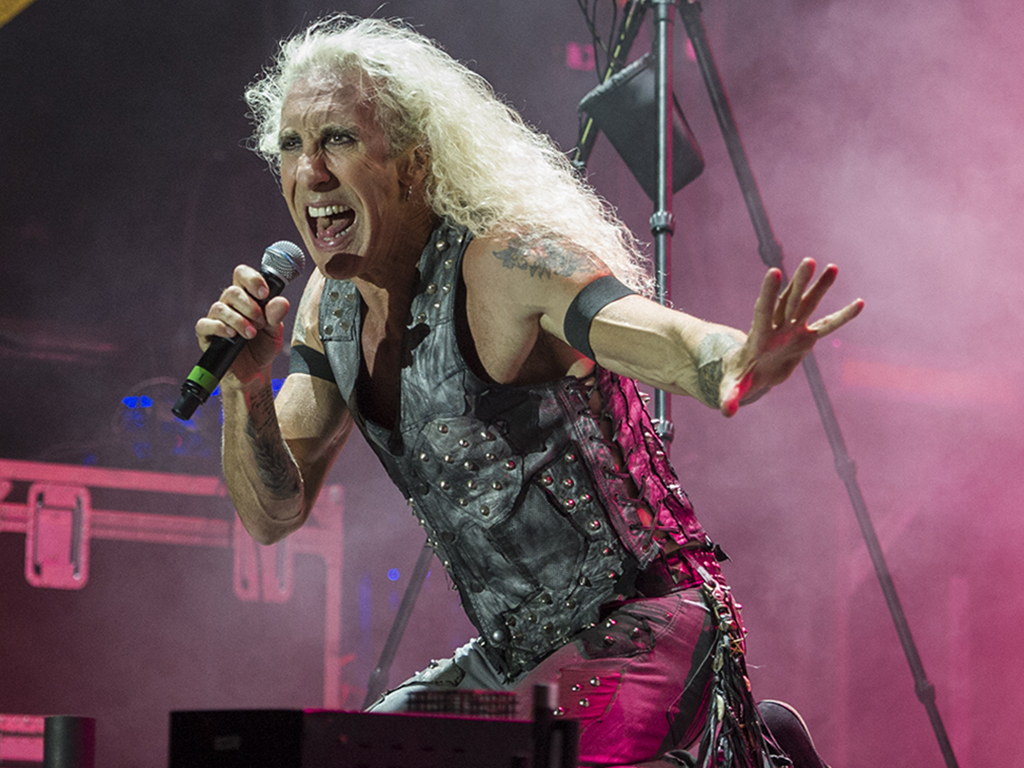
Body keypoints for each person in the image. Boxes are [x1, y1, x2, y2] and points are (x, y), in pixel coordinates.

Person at [193, 14, 862, 767]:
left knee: (567, 754)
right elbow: (272, 513)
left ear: (414, 162)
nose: (310, 171)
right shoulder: (328, 308)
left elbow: (659, 336)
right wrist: (246, 385)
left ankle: (757, 746)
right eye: (291, 144)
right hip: (526, 660)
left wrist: (734, 358)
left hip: (644, 623)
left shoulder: (507, 263)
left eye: (338, 139)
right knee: (350, 754)